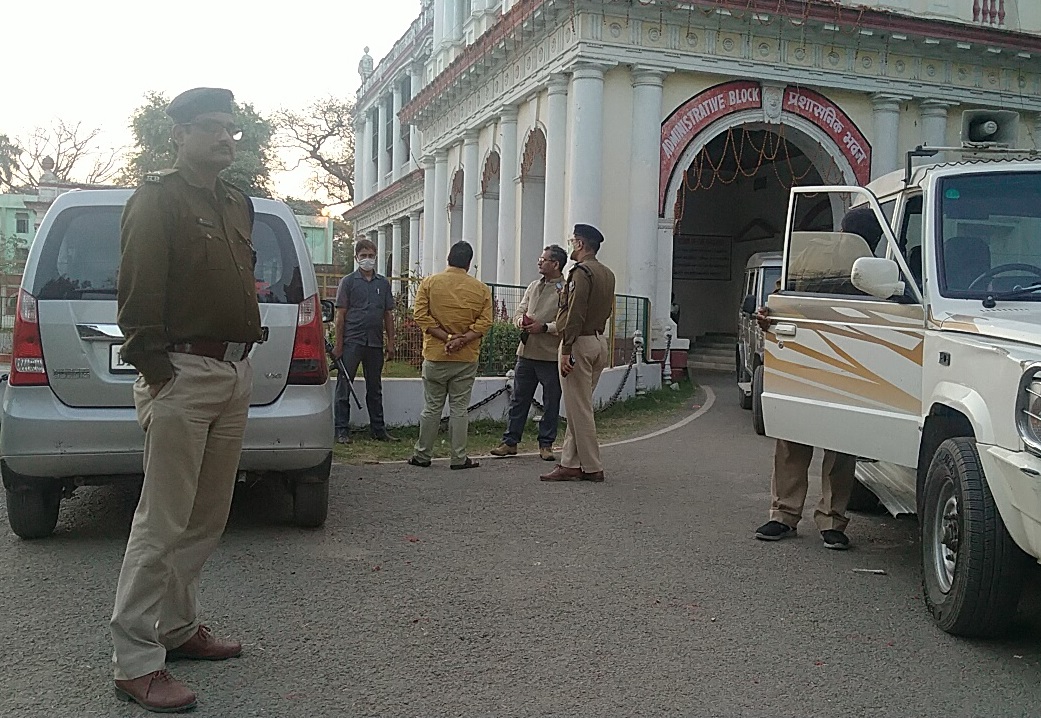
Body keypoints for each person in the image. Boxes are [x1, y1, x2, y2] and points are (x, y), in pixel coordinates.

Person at [112, 87, 259, 713]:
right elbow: (138, 295)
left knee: (206, 516)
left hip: (232, 372)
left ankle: (176, 628)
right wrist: (159, 372)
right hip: (181, 373)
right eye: (212, 129)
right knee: (163, 520)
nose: (227, 139)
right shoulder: (157, 201)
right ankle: (135, 661)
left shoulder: (237, 202)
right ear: (178, 135)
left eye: (232, 130)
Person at [752, 206, 882, 550]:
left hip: (848, 359)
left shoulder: (884, 267)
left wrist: (770, 310)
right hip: (816, 354)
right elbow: (784, 293)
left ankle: (795, 517)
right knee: (808, 439)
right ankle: (816, 519)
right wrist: (771, 312)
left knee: (829, 442)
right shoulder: (813, 254)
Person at [540, 224, 616, 483]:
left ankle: (592, 466)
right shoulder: (607, 273)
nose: (572, 246)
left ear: (582, 244)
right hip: (598, 340)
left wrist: (567, 349)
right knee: (577, 406)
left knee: (580, 409)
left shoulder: (581, 273)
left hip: (579, 343)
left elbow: (575, 313)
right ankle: (570, 463)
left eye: (574, 242)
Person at [409, 241, 493, 470]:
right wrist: (461, 339)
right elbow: (485, 323)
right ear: (469, 262)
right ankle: (458, 457)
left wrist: (446, 338)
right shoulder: (481, 289)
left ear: (448, 258)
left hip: (436, 356)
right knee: (459, 408)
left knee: (432, 407)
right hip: (465, 357)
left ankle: (422, 454)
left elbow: (420, 316)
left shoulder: (429, 283)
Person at [490, 245, 567, 461]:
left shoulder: (565, 290)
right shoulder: (534, 286)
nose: (539, 262)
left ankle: (546, 444)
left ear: (556, 264)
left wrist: (544, 327)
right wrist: (519, 322)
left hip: (550, 355)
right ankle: (510, 442)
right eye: (540, 258)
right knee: (518, 399)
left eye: (544, 259)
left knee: (551, 402)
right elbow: (520, 310)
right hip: (526, 352)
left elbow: (565, 323)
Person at [332, 237, 398, 444]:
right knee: (344, 385)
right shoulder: (348, 282)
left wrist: (391, 342)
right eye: (363, 256)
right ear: (356, 258)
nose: (367, 260)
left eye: (370, 256)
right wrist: (338, 344)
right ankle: (341, 430)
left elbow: (388, 315)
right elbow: (340, 315)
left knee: (375, 387)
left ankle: (378, 429)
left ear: (375, 257)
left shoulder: (383, 284)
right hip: (352, 340)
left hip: (375, 342)